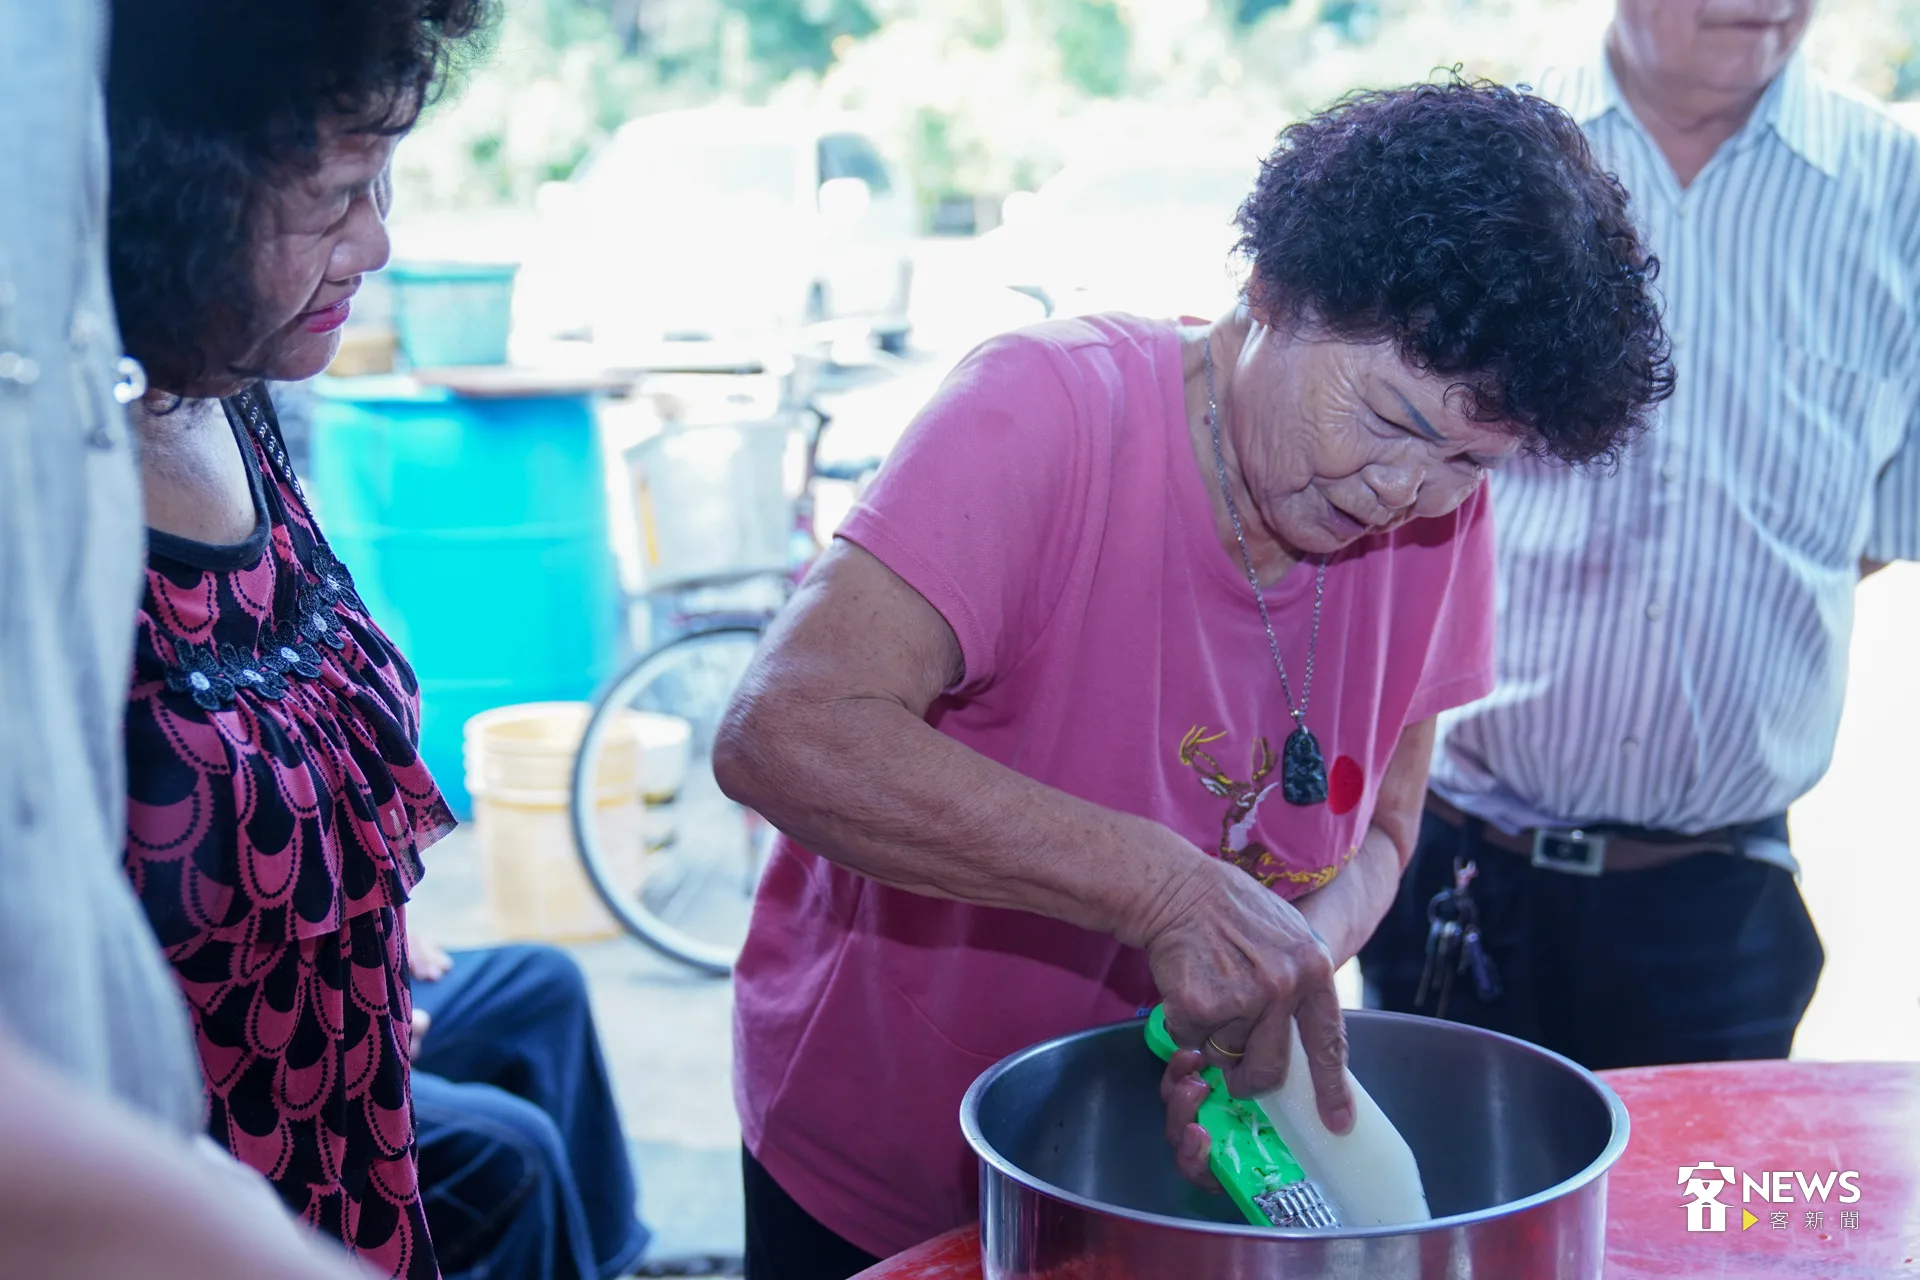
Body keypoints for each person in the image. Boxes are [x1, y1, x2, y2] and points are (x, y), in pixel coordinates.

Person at [714, 79, 1674, 1276]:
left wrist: (1277, 965)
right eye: (1385, 415)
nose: (1400, 492)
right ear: (1271, 292)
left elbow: (1383, 830)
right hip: (895, 1148)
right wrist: (1169, 892)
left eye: (1465, 457)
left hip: (1178, 1171)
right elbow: (783, 730)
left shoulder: (1442, 525)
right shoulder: (1046, 417)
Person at [1361, 0, 1920, 1070]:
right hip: (1457, 879)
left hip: (1720, 911)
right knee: (1430, 1226)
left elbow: (1875, 529)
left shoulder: (1900, 196)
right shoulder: (1483, 153)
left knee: (1710, 1228)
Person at [0, 1, 371, 1275]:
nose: (380, 242)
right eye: (337, 197)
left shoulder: (239, 394)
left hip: (351, 1123)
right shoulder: (48, 511)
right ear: (179, 199)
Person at [409, 937, 652, 1280]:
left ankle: (600, 1268)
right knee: (515, 1143)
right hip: (316, 1051)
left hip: (339, 972)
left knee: (549, 982)